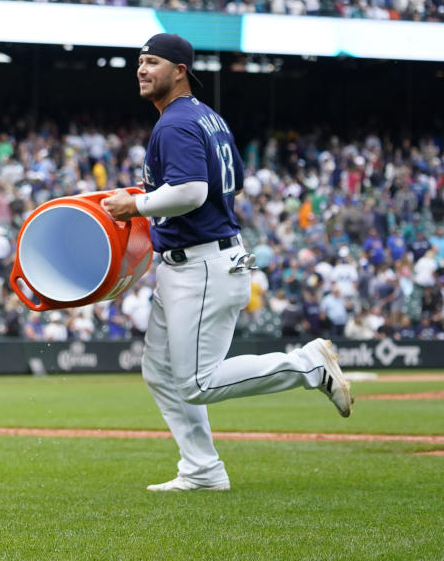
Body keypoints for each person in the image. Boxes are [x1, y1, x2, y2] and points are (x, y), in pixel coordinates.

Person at [102, 33, 352, 493]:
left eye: (152, 61)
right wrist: (150, 202)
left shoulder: (175, 122)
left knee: (197, 382)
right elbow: (226, 186)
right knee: (159, 371)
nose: (141, 69)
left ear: (180, 70)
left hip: (201, 265)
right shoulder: (208, 118)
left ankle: (307, 366)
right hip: (198, 260)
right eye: (139, 61)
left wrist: (136, 207)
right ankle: (202, 470)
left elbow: (193, 191)